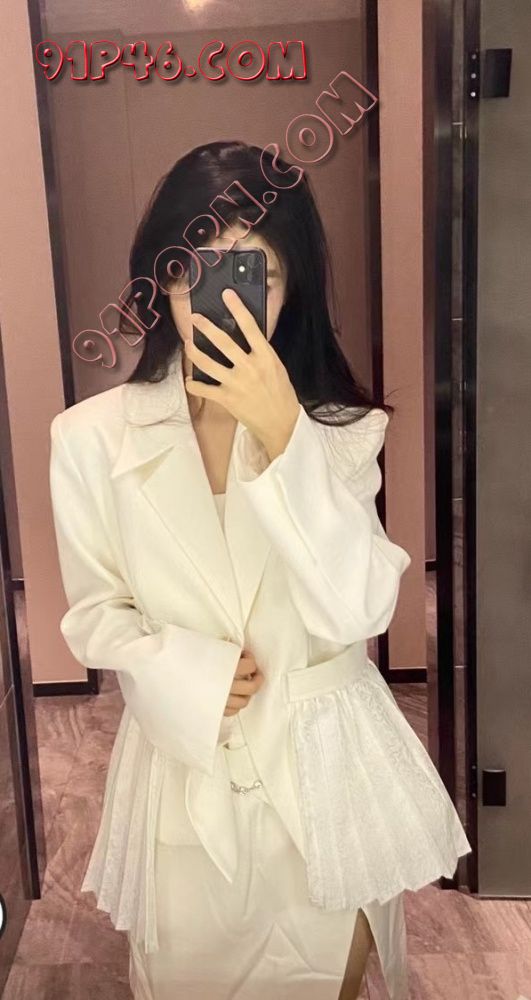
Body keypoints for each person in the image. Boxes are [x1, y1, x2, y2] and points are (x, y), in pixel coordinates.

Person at [48, 140, 472, 1000]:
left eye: (255, 272)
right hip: (186, 767)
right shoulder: (88, 438)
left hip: (324, 772)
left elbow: (360, 609)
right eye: (192, 267)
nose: (219, 297)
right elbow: (94, 612)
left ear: (292, 287)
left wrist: (286, 438)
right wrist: (185, 672)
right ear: (160, 278)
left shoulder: (341, 431)